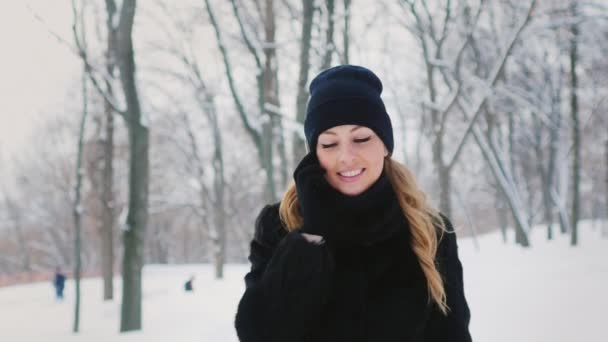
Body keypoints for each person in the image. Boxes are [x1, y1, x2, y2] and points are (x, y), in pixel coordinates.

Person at [234, 65, 472, 342]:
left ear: (384, 145)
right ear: (314, 154)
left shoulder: (431, 231)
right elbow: (260, 335)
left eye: (361, 138)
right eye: (329, 144)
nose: (346, 156)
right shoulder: (280, 225)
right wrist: (312, 234)